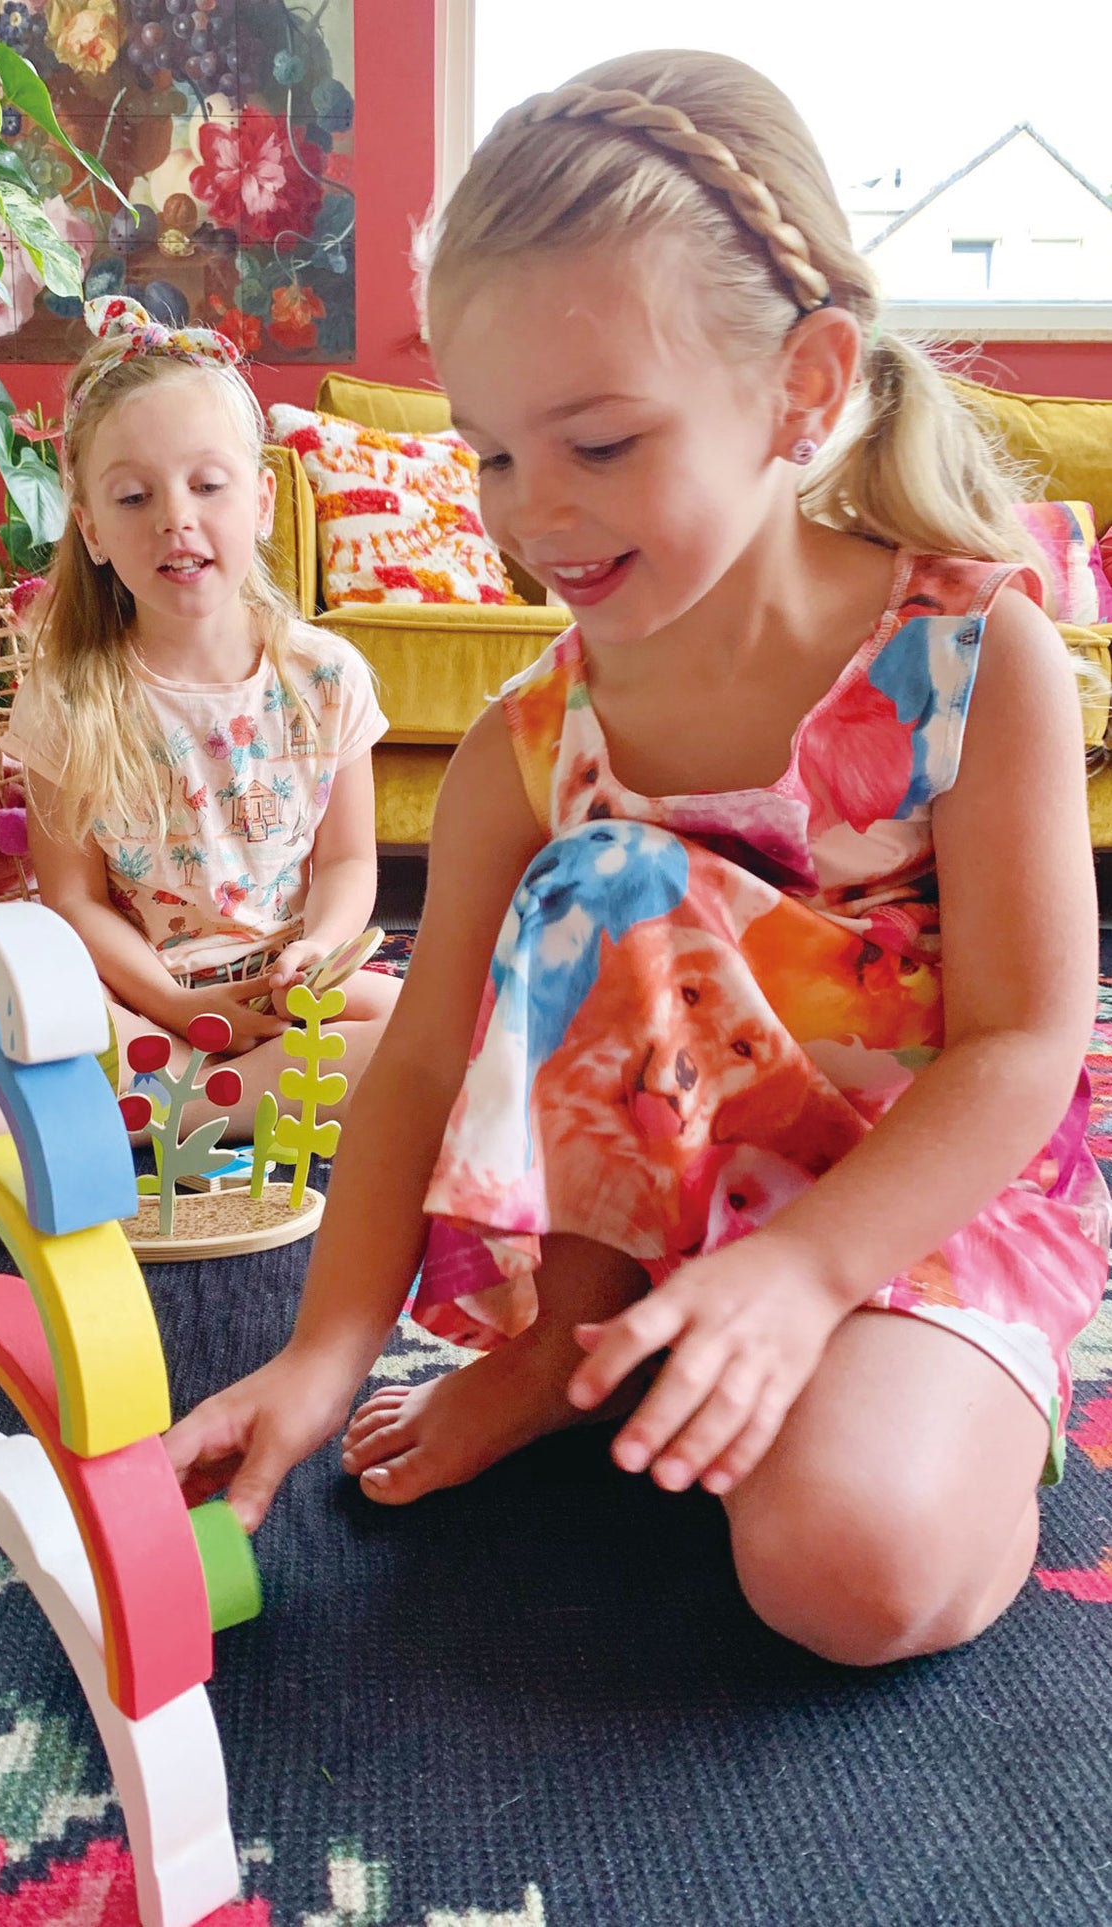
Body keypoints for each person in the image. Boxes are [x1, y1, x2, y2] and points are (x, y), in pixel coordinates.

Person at [165, 51, 1110, 1666]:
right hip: (701, 1189)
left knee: (838, 1565)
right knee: (592, 888)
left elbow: (1028, 1044)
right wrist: (326, 1355)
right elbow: (410, 1070)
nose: (535, 516)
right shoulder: (533, 741)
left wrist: (816, 1272)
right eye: (496, 453)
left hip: (936, 1186)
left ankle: (980, 1407)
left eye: (598, 445)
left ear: (805, 389)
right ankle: (571, 1353)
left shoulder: (973, 656)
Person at [0, 297, 398, 1136]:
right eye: (135, 496)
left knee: (438, 1028)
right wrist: (179, 1009)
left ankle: (149, 1118)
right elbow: (72, 900)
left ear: (260, 501)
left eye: (207, 484)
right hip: (142, 996)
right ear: (92, 529)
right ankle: (227, 1096)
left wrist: (318, 950)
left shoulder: (325, 676)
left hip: (293, 989)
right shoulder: (71, 695)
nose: (176, 516)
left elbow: (349, 861)